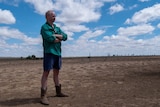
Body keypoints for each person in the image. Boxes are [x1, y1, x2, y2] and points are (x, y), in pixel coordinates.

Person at [40, 10, 68, 105]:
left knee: (56, 72)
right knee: (46, 73)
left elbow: (65, 37)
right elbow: (50, 38)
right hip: (49, 53)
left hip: (57, 53)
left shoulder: (57, 28)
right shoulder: (44, 27)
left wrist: (57, 36)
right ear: (47, 17)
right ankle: (43, 95)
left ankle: (58, 92)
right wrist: (57, 38)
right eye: (52, 15)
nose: (54, 17)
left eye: (55, 16)